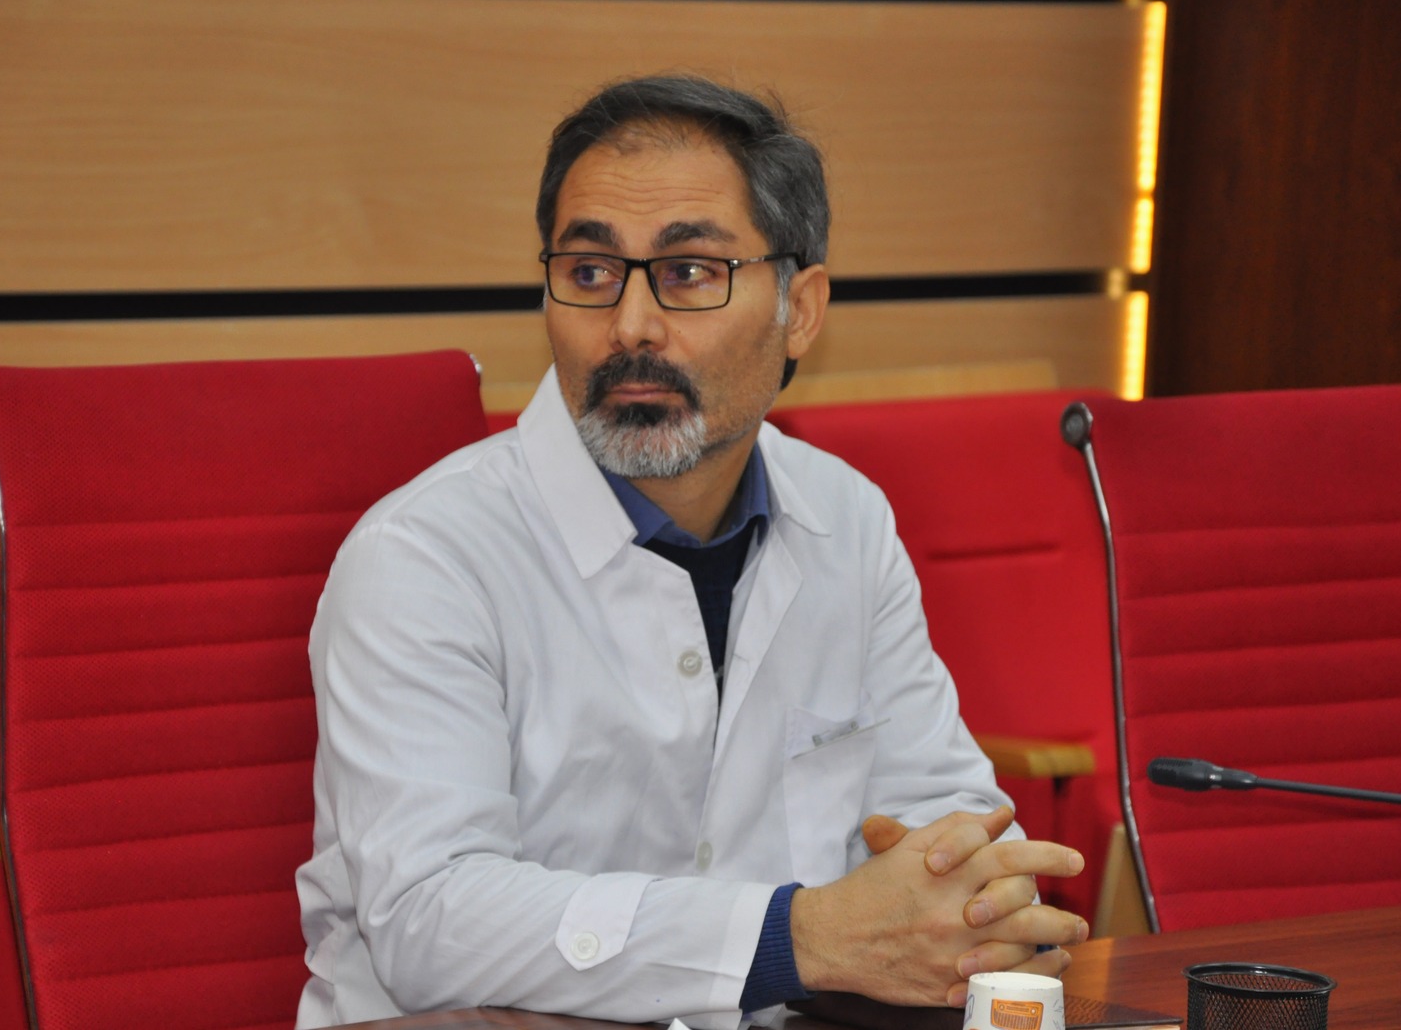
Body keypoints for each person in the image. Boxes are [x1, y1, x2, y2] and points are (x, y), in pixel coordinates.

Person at [295, 74, 1088, 1030]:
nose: (630, 324)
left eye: (690, 272)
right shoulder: (423, 558)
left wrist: (971, 897)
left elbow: (941, 815)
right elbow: (431, 919)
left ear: (800, 310)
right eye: (591, 272)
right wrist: (798, 936)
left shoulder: (846, 518)